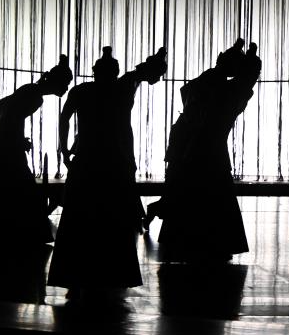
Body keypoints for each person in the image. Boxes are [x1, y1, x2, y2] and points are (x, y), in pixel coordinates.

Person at [47, 46, 166, 297]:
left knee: (79, 217)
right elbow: (141, 72)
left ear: (95, 72)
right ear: (115, 72)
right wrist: (156, 60)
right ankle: (112, 272)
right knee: (113, 218)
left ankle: (75, 271)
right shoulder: (123, 87)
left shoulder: (82, 91)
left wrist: (64, 150)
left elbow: (64, 118)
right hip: (115, 160)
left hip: (87, 158)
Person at [155, 39, 262, 262]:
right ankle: (212, 242)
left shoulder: (212, 87)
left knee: (190, 195)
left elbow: (190, 92)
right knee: (213, 197)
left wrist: (234, 61)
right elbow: (246, 79)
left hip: (197, 147)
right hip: (209, 149)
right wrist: (248, 58)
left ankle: (187, 240)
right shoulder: (229, 91)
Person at [0, 55, 73, 247]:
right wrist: (16, 137)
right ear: (56, 82)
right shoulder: (35, 97)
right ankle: (23, 234)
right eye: (65, 83)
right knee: (22, 190)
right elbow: (12, 116)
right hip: (7, 146)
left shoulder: (31, 90)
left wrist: (8, 130)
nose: (66, 88)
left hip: (1, 143)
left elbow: (1, 106)